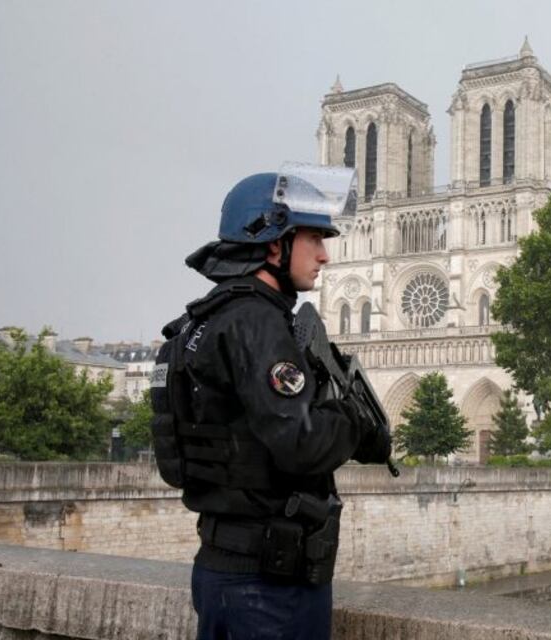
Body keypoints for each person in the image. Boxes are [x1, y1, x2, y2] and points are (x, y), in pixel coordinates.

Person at [150, 163, 391, 640]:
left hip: (221, 567)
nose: (323, 255)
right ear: (273, 242)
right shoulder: (258, 321)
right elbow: (302, 444)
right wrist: (353, 417)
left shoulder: (198, 323)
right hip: (268, 586)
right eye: (314, 239)